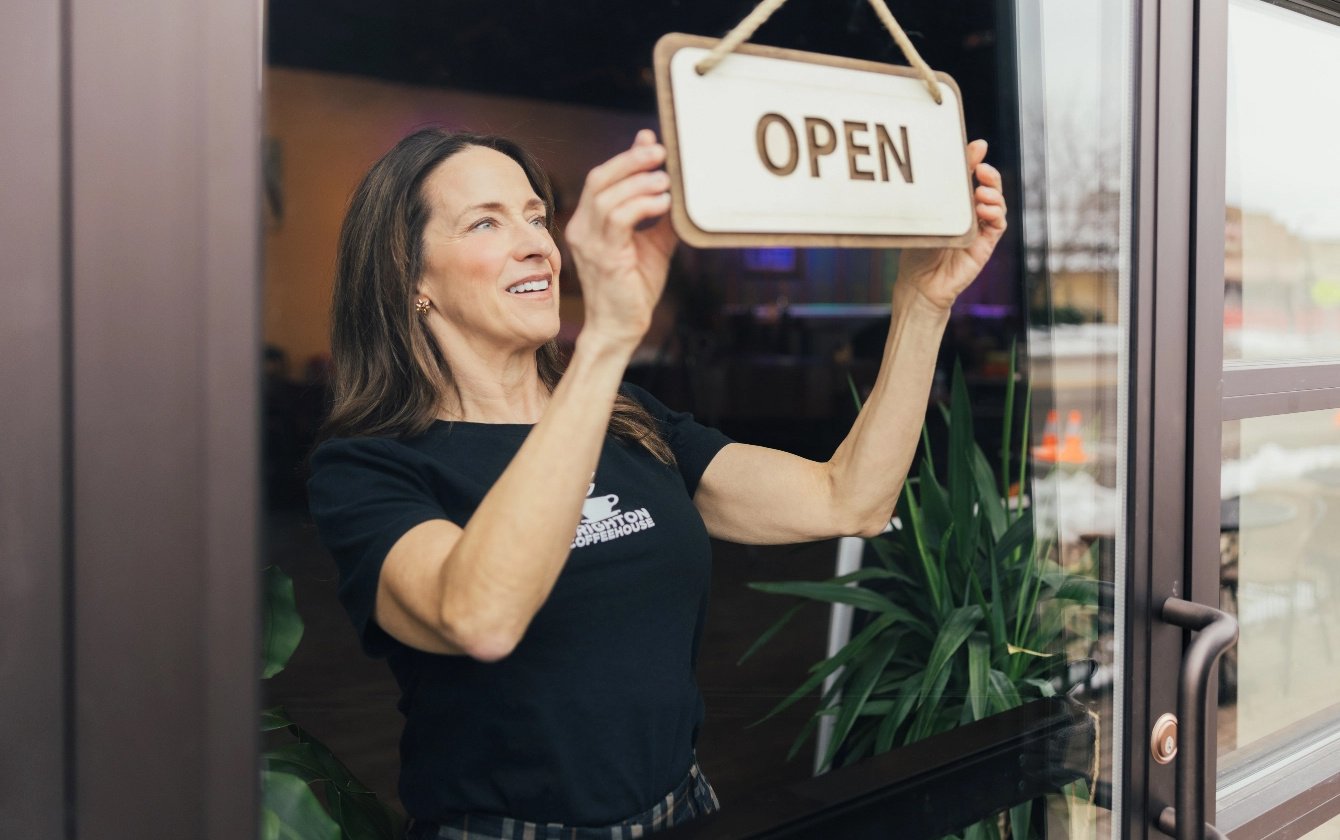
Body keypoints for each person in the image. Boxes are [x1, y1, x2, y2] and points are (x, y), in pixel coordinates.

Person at [307, 126, 1007, 840]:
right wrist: (608, 338)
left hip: (683, 812)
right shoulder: (371, 467)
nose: (536, 245)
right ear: (410, 277)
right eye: (486, 221)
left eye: (536, 216)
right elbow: (480, 616)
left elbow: (850, 499)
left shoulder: (629, 420)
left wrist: (925, 300)